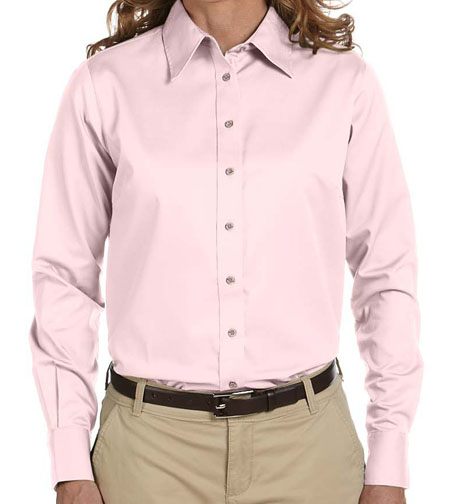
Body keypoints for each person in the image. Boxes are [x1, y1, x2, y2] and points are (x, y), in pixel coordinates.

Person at [29, 1, 423, 503]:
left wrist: (389, 458)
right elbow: (64, 277)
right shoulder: (104, 85)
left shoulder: (345, 84)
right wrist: (69, 461)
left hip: (309, 456)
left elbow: (386, 271)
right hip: (147, 458)